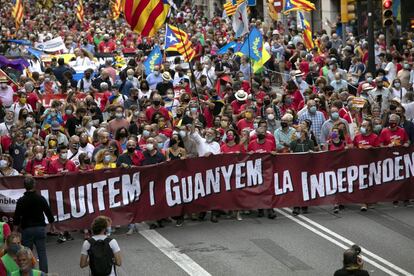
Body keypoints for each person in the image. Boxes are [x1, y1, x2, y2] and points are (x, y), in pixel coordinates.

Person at [13, 177, 55, 273]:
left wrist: (15, 231)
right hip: (40, 229)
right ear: (34, 185)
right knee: (42, 253)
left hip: (27, 230)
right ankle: (44, 274)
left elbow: (17, 217)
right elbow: (48, 212)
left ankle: (29, 273)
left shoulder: (21, 201)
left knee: (27, 254)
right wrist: (52, 225)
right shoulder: (40, 198)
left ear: (24, 187)